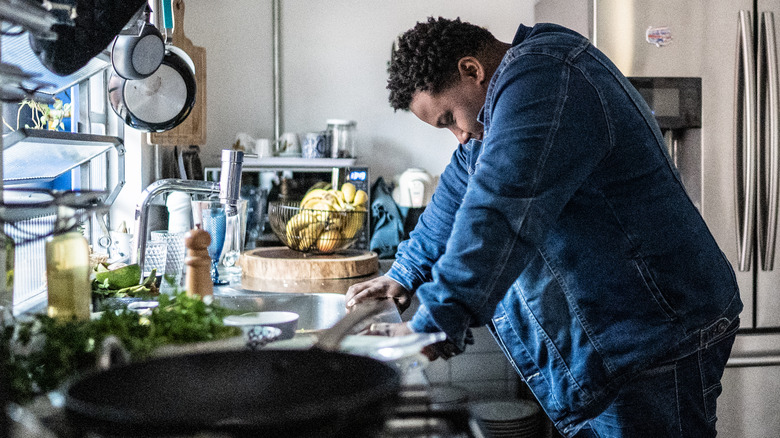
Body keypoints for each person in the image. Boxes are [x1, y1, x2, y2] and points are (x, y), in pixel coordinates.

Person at [346, 17, 743, 437]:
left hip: (654, 341)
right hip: (620, 343)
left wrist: (435, 323)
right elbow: (459, 191)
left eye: (449, 119)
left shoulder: (545, 79)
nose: (459, 137)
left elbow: (498, 210)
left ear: (471, 70)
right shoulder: (505, 100)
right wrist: (406, 271)